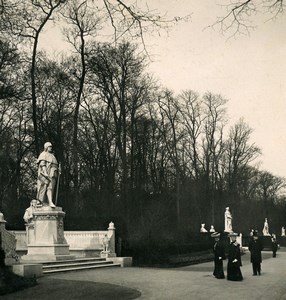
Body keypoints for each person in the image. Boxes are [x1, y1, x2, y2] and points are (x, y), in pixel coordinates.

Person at [37, 142, 59, 208]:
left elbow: (54, 165)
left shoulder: (52, 156)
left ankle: (49, 201)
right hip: (46, 174)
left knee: (51, 188)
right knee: (44, 188)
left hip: (53, 174)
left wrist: (58, 171)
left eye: (51, 147)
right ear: (46, 147)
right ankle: (42, 201)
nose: (51, 148)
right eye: (49, 146)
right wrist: (45, 173)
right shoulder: (43, 154)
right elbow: (42, 164)